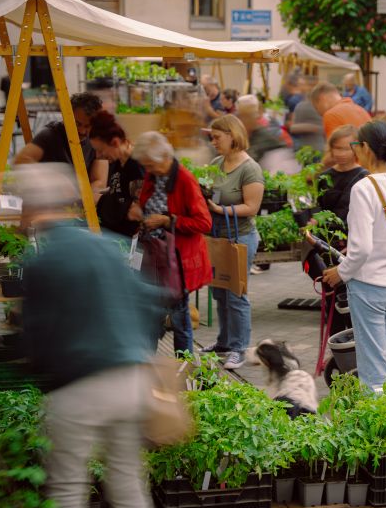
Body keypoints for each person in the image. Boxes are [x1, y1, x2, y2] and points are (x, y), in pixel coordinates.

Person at [17, 163, 162, 508]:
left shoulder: (40, 263)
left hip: (77, 387)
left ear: (32, 209)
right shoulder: (105, 245)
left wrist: (37, 368)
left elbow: (36, 336)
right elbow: (149, 299)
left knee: (67, 489)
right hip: (127, 381)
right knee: (129, 482)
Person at [321, 121, 386, 392]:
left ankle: (381, 429)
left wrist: (341, 272)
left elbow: (361, 249)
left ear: (366, 148)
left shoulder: (364, 187)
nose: (355, 149)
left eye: (355, 144)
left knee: (373, 368)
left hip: (370, 284)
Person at [129, 132, 212, 354]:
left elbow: (204, 222)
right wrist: (140, 211)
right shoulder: (153, 175)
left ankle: (182, 368)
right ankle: (148, 367)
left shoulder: (185, 180)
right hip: (153, 256)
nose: (148, 169)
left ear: (164, 156)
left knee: (179, 318)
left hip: (176, 262)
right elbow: (147, 202)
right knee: (150, 314)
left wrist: (168, 220)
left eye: (150, 164)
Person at [199, 116, 265, 369]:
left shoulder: (250, 169)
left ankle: (240, 347)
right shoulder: (217, 162)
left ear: (232, 135)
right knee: (219, 291)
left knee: (236, 294)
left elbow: (252, 207)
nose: (213, 141)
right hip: (218, 237)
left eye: (217, 137)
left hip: (240, 237)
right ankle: (224, 342)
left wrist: (218, 207)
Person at [14, 92, 108, 195]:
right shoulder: (50, 134)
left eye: (88, 126)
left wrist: (86, 199)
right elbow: (20, 161)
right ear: (65, 116)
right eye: (77, 124)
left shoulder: (98, 139)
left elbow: (99, 181)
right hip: (50, 201)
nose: (81, 131)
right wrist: (56, 177)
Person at [88, 111, 146, 237]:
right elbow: (120, 191)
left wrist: (100, 201)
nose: (98, 156)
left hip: (126, 241)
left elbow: (137, 212)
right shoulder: (120, 161)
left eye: (100, 150)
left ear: (115, 142)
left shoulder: (136, 165)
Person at [318, 125, 369, 224]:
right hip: (327, 234)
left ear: (357, 149)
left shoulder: (364, 177)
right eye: (337, 148)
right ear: (331, 148)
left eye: (346, 149)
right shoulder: (324, 177)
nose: (341, 153)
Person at [290, 75, 325, 153]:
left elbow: (293, 127)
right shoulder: (300, 104)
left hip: (313, 148)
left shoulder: (301, 105)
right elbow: (293, 128)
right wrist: (315, 128)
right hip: (308, 148)